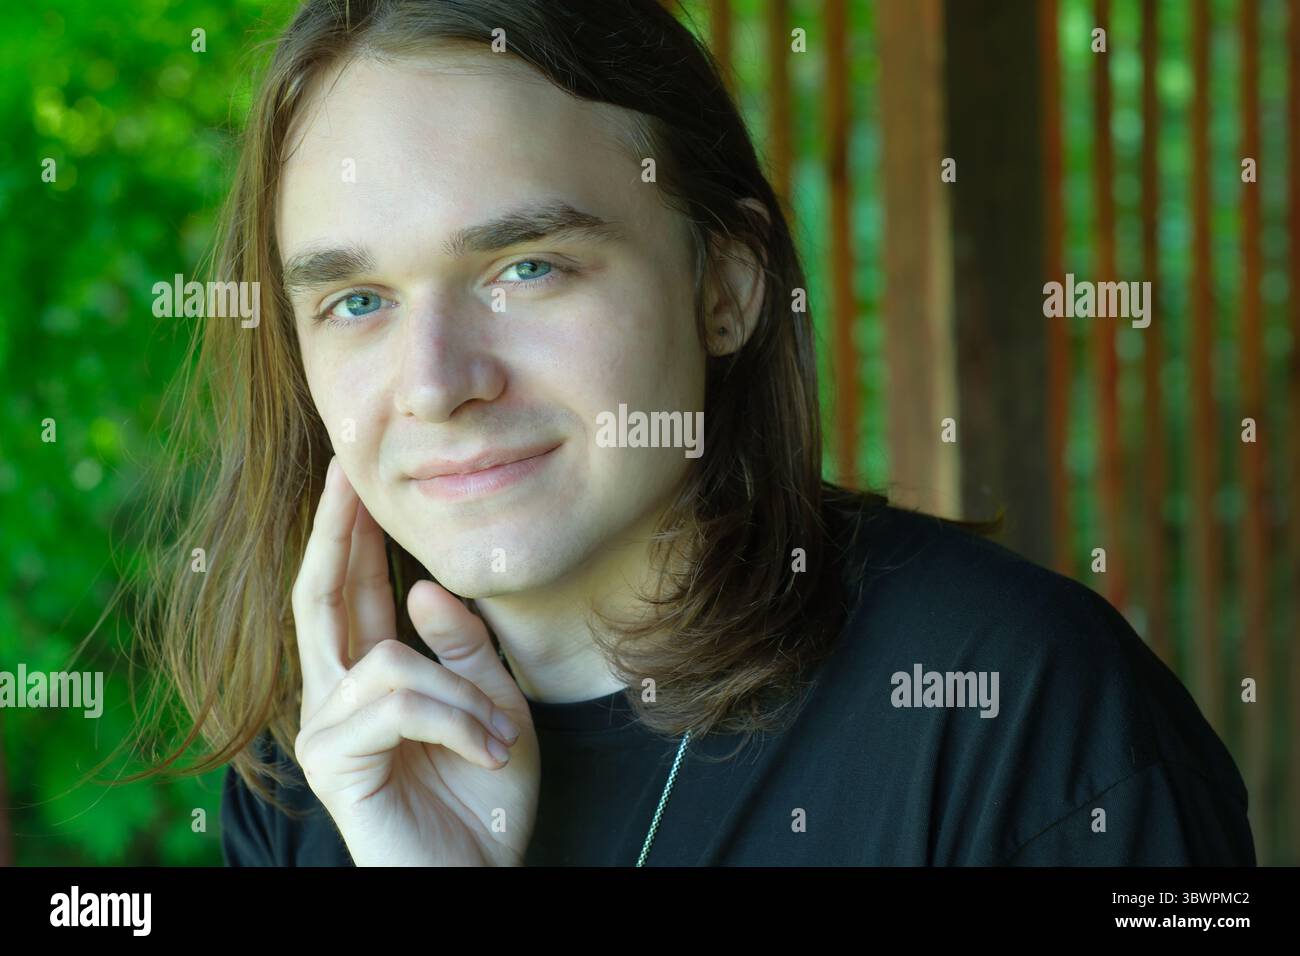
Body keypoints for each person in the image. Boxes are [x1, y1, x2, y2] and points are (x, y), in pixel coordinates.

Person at [130, 0, 1255, 866]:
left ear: (726, 284)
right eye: (357, 301)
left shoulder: (1022, 713)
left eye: (527, 267)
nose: (433, 385)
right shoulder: (318, 762)